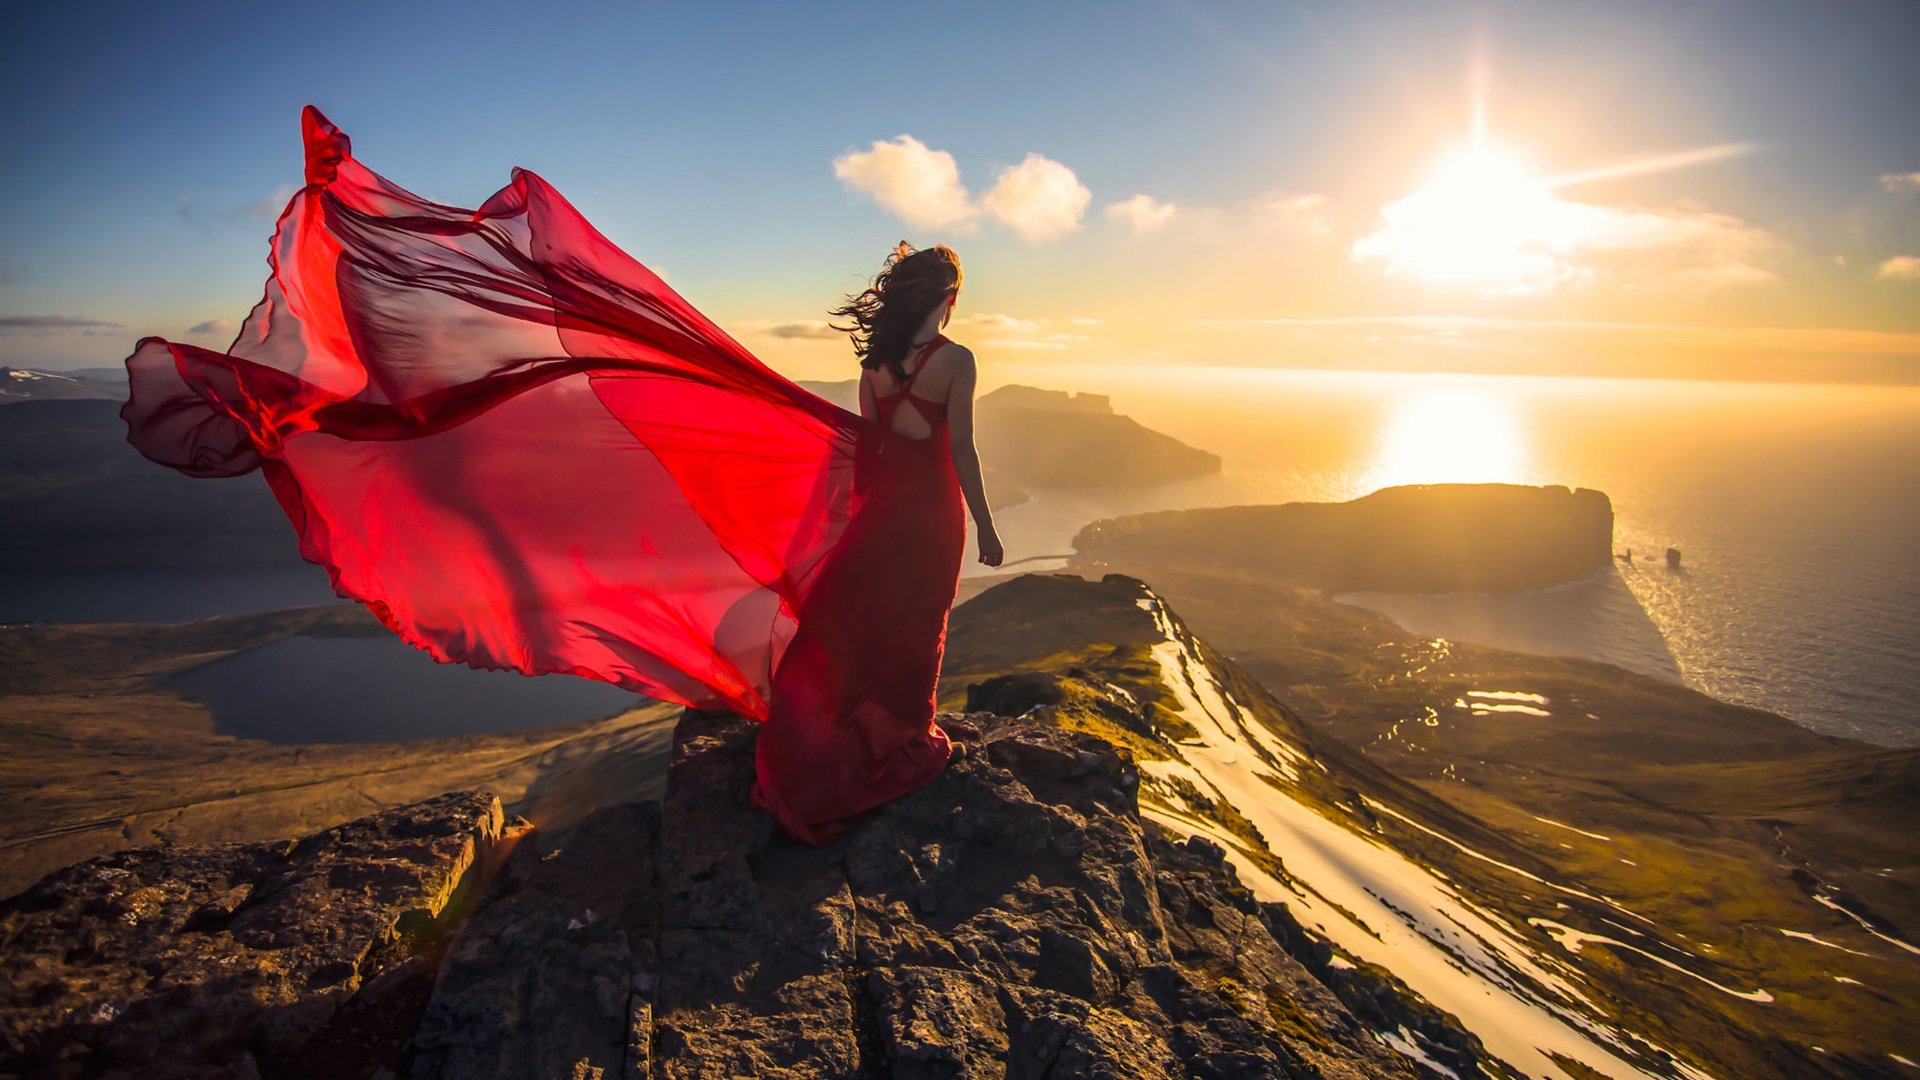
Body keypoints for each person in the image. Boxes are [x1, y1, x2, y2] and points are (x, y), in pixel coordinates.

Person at [120, 107, 998, 844]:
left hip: (877, 511)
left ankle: (834, 750)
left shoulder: (878, 367)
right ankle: (894, 744)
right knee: (911, 625)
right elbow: (955, 458)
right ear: (946, 301)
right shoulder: (952, 362)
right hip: (925, 517)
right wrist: (989, 531)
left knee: (856, 631)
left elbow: (875, 449)